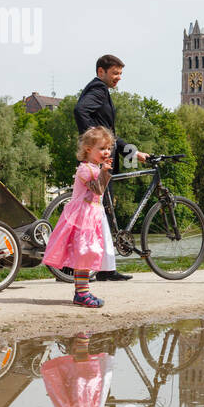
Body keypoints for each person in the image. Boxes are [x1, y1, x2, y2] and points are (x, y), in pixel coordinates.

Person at [73, 54, 149, 282]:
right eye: (115, 73)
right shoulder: (98, 89)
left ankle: (106, 269)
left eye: (120, 74)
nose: (118, 78)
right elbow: (80, 111)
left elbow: (110, 134)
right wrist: (94, 143)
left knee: (103, 212)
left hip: (102, 158)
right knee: (95, 212)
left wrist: (133, 152)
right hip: (98, 162)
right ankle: (77, 267)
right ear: (101, 72)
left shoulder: (101, 91)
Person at [42, 127, 114, 308]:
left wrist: (104, 172)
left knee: (88, 253)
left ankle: (83, 291)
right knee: (84, 253)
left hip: (93, 215)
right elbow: (98, 189)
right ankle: (81, 293)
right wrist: (105, 172)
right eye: (102, 148)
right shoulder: (85, 169)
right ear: (89, 149)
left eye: (109, 148)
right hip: (83, 216)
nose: (106, 152)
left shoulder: (96, 168)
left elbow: (100, 190)